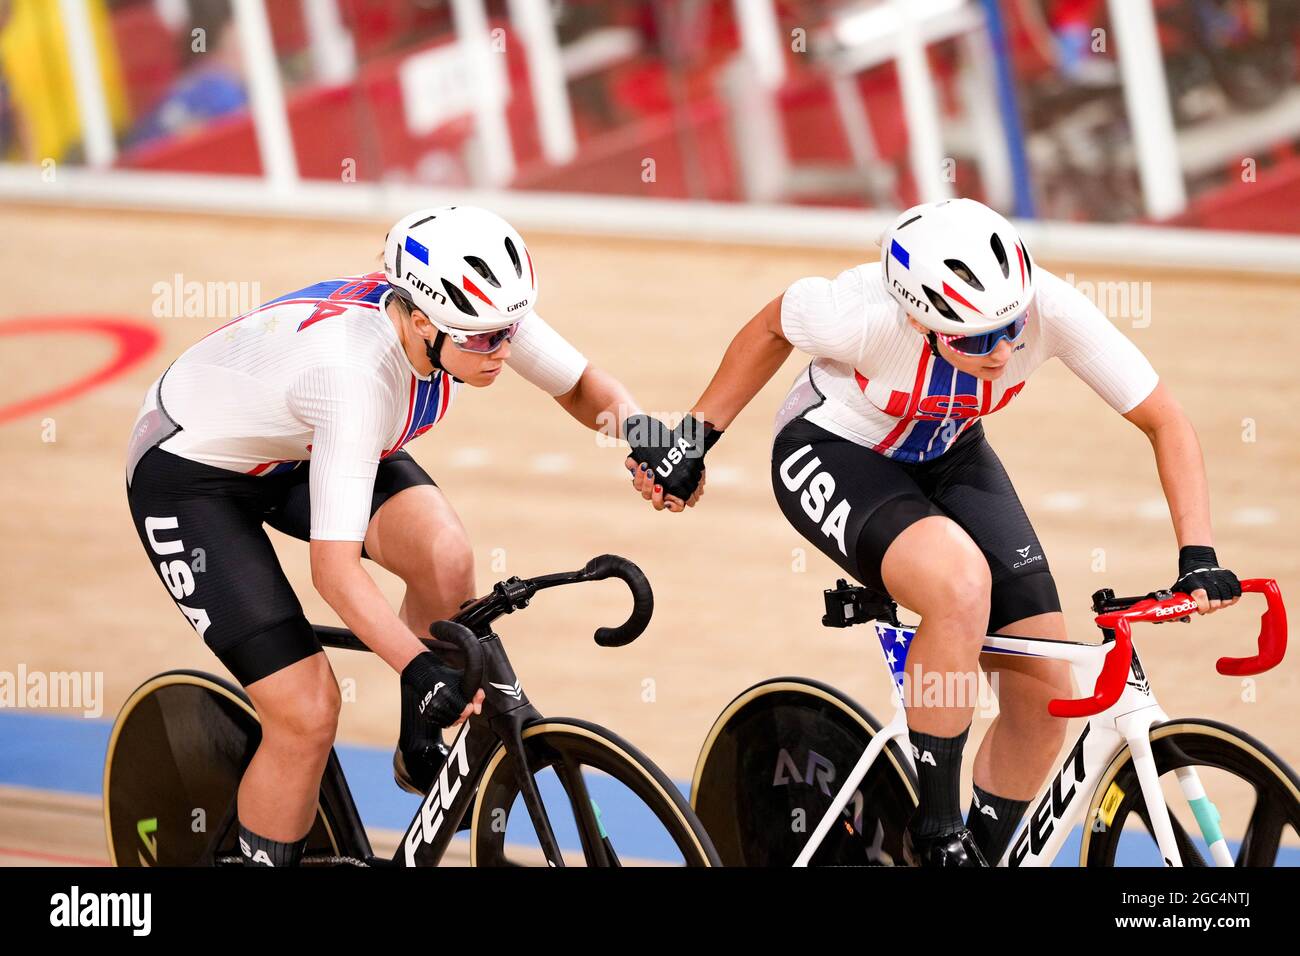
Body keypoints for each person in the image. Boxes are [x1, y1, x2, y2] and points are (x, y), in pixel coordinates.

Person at [624, 198, 1242, 866]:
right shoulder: (855, 315)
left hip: (949, 453)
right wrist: (694, 437)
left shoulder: (1049, 310)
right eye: (976, 340)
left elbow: (1165, 419)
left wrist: (1198, 553)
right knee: (960, 583)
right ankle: (937, 832)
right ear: (917, 318)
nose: (1003, 352)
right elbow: (772, 326)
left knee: (1046, 693)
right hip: (834, 450)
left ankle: (981, 852)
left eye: (1010, 328)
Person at [125, 205, 671, 866]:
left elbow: (582, 386)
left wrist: (649, 439)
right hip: (192, 478)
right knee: (307, 710)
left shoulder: (470, 318)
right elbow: (334, 571)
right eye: (482, 340)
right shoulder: (357, 383)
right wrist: (415, 669)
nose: (500, 351)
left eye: (507, 333)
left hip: (292, 444)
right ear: (417, 320)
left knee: (445, 556)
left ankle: (420, 754)